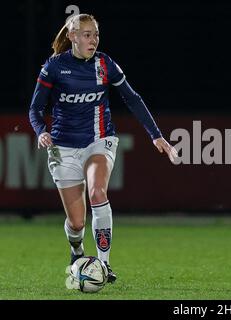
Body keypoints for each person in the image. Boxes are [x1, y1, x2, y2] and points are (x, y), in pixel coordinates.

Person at [28, 13, 177, 284]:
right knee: (76, 223)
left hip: (99, 139)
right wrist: (41, 132)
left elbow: (132, 98)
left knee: (98, 192)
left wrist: (156, 136)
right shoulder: (53, 67)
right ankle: (77, 252)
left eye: (96, 34)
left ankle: (104, 266)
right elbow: (35, 109)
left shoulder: (105, 64)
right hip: (63, 146)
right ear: (72, 36)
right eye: (86, 35)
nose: (93, 40)